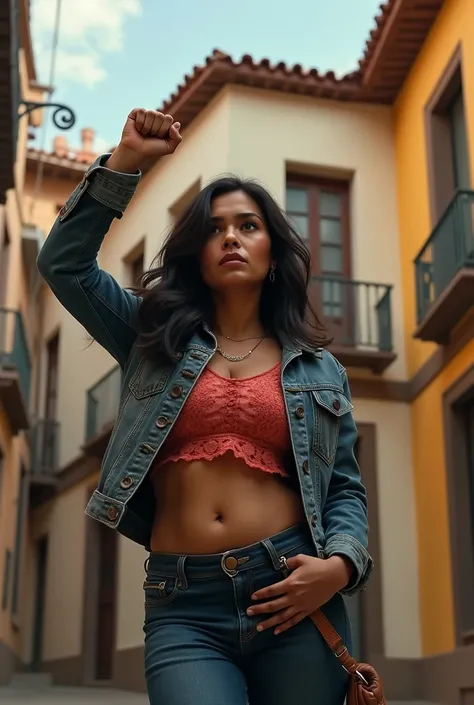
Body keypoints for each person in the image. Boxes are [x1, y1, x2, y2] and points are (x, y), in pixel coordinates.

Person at [37, 108, 373, 705]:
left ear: (273, 247)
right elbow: (63, 264)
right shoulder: (152, 337)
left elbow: (345, 488)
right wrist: (127, 165)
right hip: (182, 603)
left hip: (290, 592)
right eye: (215, 228)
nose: (231, 238)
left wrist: (341, 567)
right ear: (197, 251)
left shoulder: (321, 370)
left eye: (248, 225)